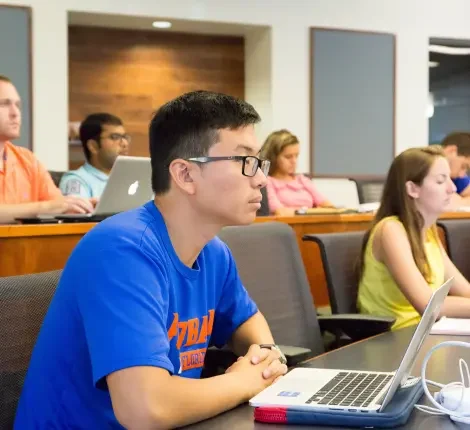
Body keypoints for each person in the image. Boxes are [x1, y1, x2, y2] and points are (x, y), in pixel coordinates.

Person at [15, 91, 288, 429]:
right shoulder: (122, 250)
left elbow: (247, 322)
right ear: (186, 175)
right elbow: (146, 409)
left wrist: (263, 355)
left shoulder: (214, 251)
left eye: (259, 161)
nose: (261, 177)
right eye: (244, 160)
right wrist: (248, 381)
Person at [357, 145, 470, 331]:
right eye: (441, 181)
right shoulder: (390, 230)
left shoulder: (429, 231)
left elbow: (465, 291)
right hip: (396, 340)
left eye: (450, 178)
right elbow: (428, 305)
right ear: (412, 189)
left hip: (425, 333)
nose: (452, 188)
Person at [0, 75, 94, 223]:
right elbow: (50, 207)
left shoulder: (27, 159)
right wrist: (45, 208)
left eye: (18, 105)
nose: (15, 113)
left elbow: (57, 204)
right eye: (4, 104)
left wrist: (84, 205)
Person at [260, 129, 333, 216]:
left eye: (296, 156)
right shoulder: (267, 182)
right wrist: (313, 211)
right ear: (273, 157)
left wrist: (301, 212)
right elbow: (280, 212)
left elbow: (329, 207)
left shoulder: (302, 179)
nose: (294, 161)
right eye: (288, 157)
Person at [60, 113, 130, 198]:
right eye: (115, 137)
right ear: (93, 146)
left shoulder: (130, 179)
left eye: (125, 137)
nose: (125, 143)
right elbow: (78, 210)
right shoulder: (75, 181)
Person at [440, 132, 470, 206]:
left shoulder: (456, 177)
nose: (461, 175)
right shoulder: (422, 170)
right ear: (451, 150)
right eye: (463, 166)